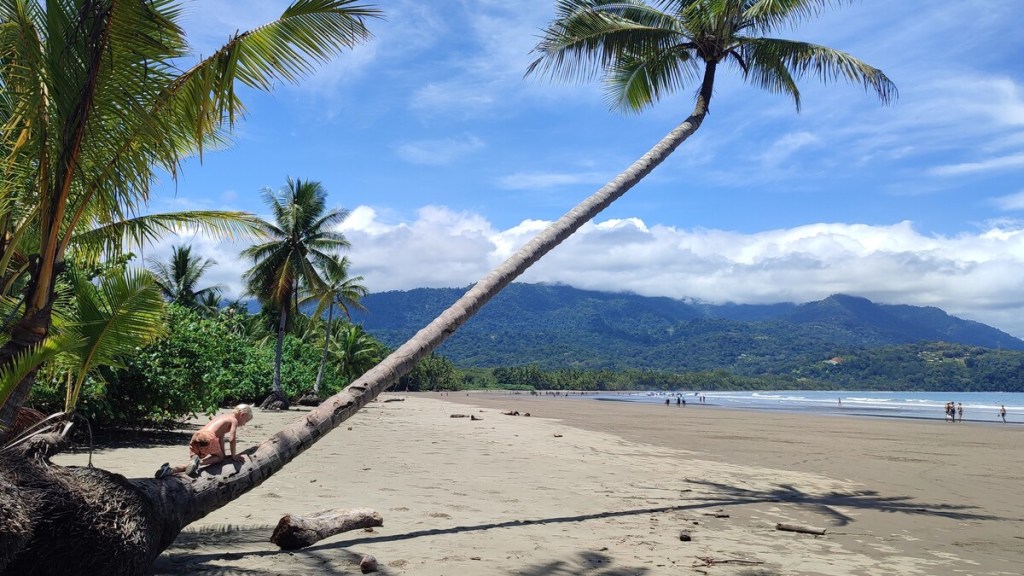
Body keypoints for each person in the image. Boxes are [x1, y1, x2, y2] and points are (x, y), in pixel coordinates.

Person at [156, 404, 253, 479]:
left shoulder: (223, 417)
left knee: (192, 462)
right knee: (218, 458)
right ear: (242, 415)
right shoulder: (234, 420)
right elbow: (232, 439)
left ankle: (170, 470)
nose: (244, 424)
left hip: (197, 435)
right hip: (209, 437)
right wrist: (233, 456)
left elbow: (220, 438)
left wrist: (223, 454)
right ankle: (199, 463)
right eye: (245, 421)